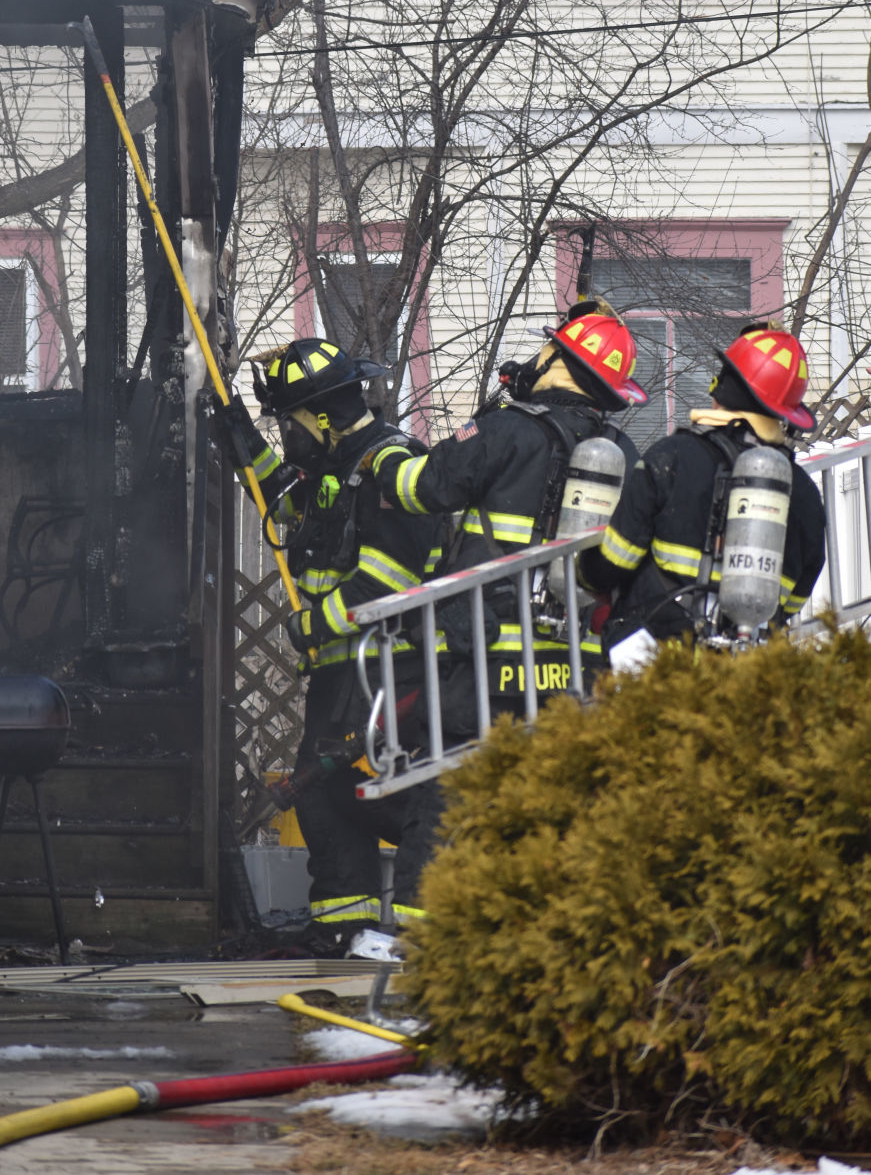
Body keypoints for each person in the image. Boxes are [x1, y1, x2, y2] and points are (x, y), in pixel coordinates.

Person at [217, 337, 445, 955]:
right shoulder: (330, 471)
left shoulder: (390, 465)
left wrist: (313, 625)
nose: (286, 436)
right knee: (325, 798)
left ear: (321, 418)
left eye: (288, 423)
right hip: (342, 673)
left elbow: (387, 580)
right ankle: (346, 928)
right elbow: (277, 495)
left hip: (387, 669)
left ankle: (430, 916)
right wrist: (235, 427)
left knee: (382, 795)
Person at [367, 300, 649, 717]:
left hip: (488, 656)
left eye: (546, 349)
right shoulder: (623, 453)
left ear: (557, 360)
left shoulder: (504, 429)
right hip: (576, 667)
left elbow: (420, 489)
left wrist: (384, 453)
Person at [582, 324, 826, 658]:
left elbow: (613, 562)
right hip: (745, 665)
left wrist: (582, 575)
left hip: (656, 660)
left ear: (721, 388)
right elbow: (793, 601)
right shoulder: (805, 494)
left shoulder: (673, 457)